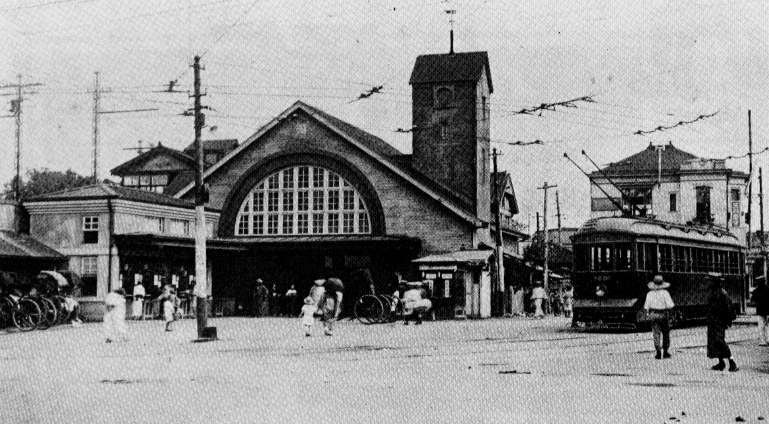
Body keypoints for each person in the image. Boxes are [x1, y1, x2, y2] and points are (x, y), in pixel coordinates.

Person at [706, 274, 738, 372]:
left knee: (719, 341)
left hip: (719, 321)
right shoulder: (713, 292)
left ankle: (732, 362)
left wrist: (728, 320)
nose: (708, 283)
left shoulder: (722, 293)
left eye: (710, 281)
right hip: (713, 321)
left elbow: (728, 308)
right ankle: (721, 362)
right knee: (715, 341)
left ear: (715, 282)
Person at [643, 274, 675, 359]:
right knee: (665, 333)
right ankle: (665, 352)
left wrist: (647, 315)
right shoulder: (665, 293)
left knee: (656, 334)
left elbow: (646, 307)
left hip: (653, 314)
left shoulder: (649, 294)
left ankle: (658, 352)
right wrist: (671, 316)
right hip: (663, 314)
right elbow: (670, 305)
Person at [751, 278, 769, 346]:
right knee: (767, 325)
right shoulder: (768, 289)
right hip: (767, 310)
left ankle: (762, 341)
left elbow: (752, 300)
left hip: (760, 311)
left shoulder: (756, 290)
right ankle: (768, 339)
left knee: (761, 326)